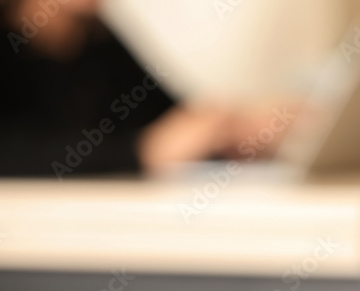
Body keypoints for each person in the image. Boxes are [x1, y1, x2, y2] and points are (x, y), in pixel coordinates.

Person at [0, 0, 257, 176]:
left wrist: (223, 130)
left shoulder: (96, 38)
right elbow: (15, 154)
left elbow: (165, 116)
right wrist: (139, 152)